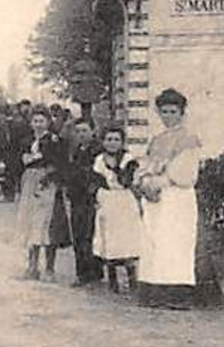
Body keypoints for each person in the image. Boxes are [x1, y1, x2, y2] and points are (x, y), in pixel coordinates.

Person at [134, 88, 224, 309]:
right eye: (163, 111)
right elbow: (144, 165)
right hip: (156, 200)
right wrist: (145, 181)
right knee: (155, 243)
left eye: (173, 111)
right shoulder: (157, 140)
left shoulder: (188, 139)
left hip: (177, 198)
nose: (168, 116)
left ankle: (178, 294)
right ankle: (155, 291)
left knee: (175, 244)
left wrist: (157, 182)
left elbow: (184, 174)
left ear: (182, 112)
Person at [15, 107, 71, 279]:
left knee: (48, 225)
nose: (38, 124)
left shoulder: (55, 141)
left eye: (41, 121)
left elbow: (60, 164)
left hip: (48, 184)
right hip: (29, 184)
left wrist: (49, 176)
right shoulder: (26, 141)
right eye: (35, 121)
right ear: (31, 123)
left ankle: (49, 268)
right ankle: (32, 266)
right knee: (31, 223)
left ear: (48, 122)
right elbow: (20, 163)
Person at [89, 125, 142, 293]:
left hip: (124, 200)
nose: (112, 143)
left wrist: (115, 168)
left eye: (116, 140)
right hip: (107, 199)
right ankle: (113, 280)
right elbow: (96, 181)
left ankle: (132, 280)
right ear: (103, 142)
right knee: (109, 238)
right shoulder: (99, 160)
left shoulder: (128, 159)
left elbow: (126, 181)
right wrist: (96, 195)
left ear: (122, 142)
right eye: (109, 139)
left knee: (127, 239)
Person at [64, 117, 102, 286]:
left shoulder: (98, 151)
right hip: (77, 198)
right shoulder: (76, 150)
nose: (81, 134)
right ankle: (82, 273)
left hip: (91, 198)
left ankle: (94, 274)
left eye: (85, 131)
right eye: (78, 131)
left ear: (93, 132)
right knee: (78, 235)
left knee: (91, 235)